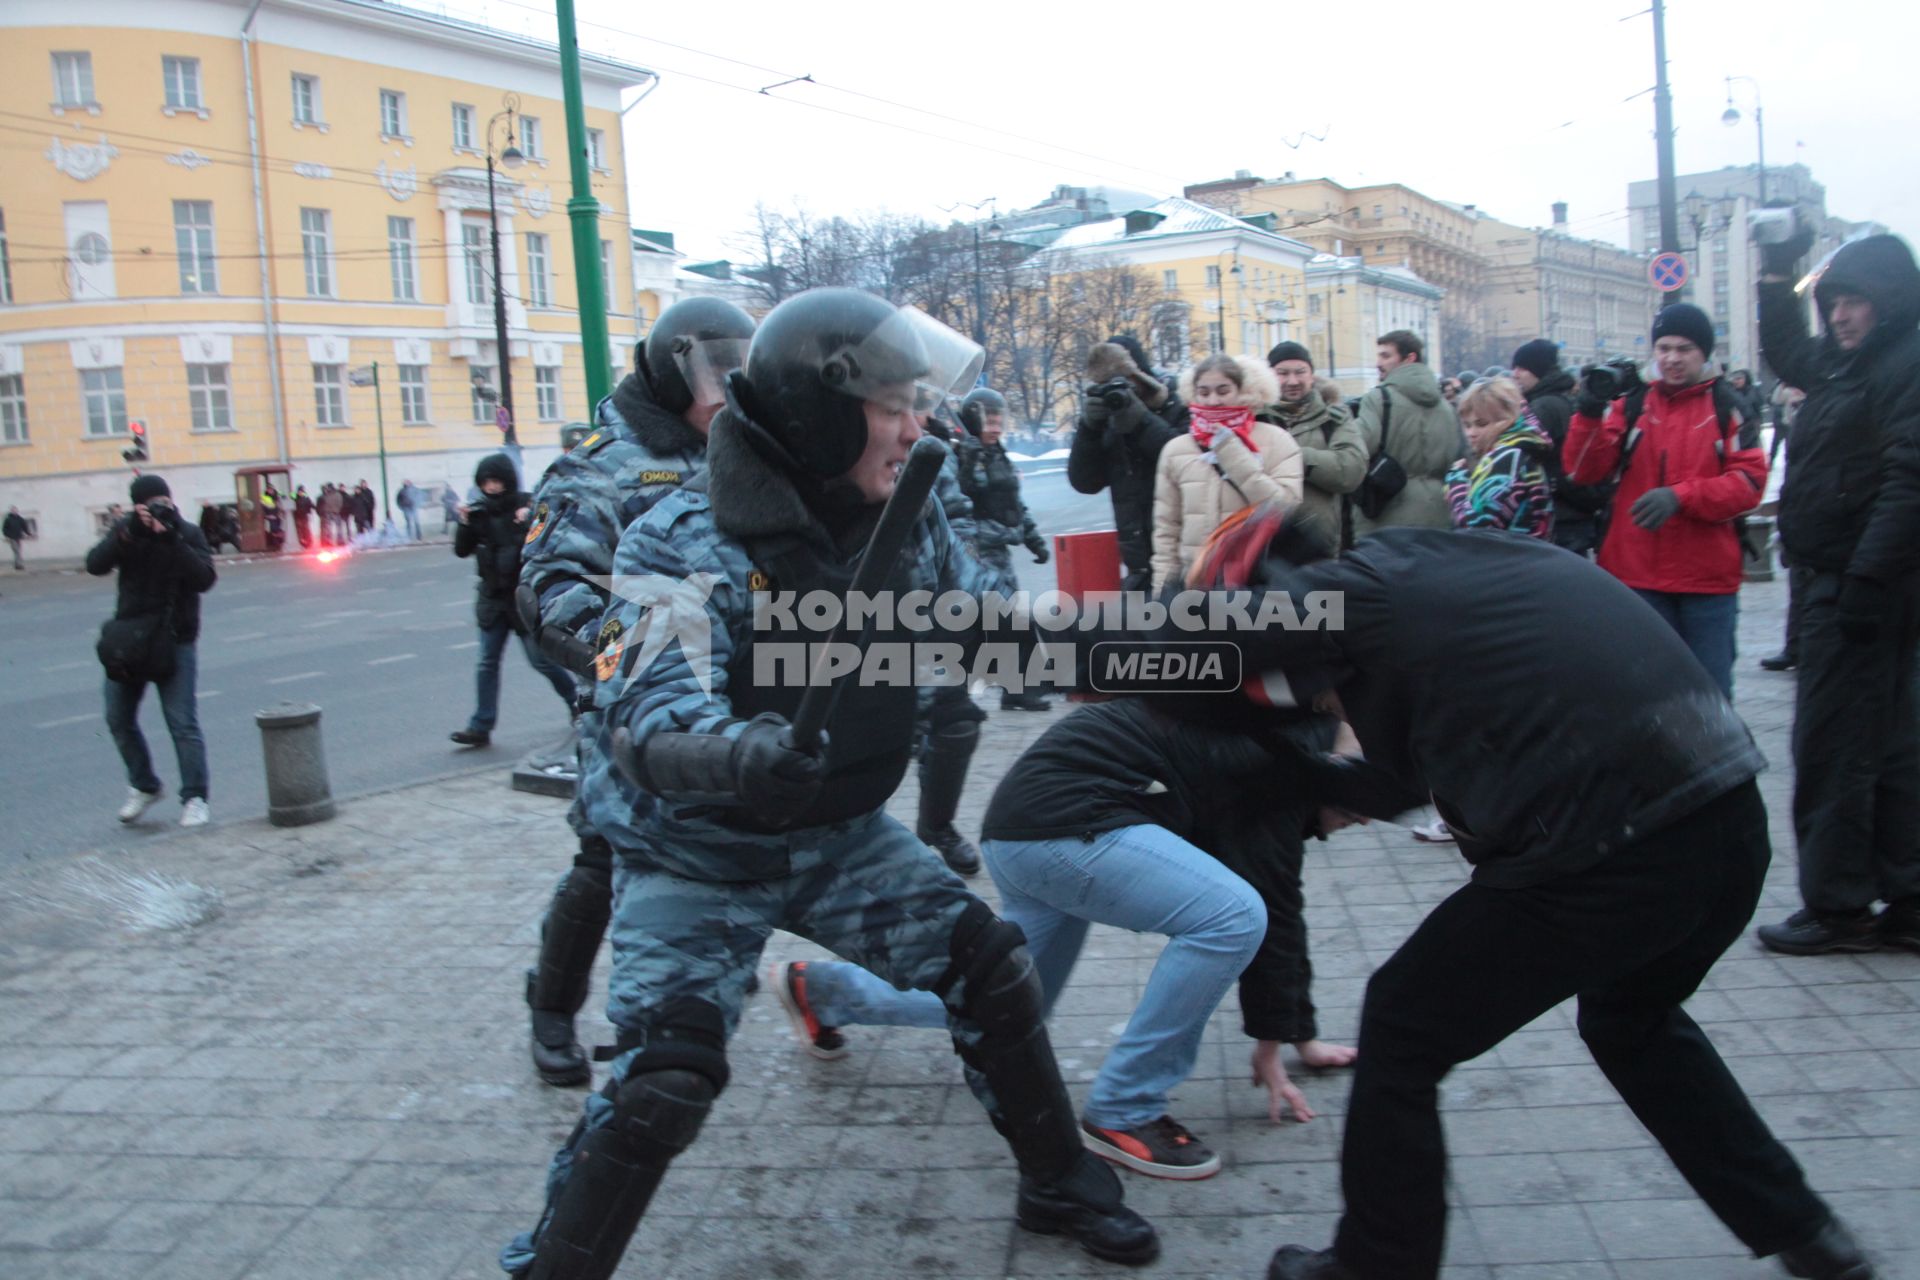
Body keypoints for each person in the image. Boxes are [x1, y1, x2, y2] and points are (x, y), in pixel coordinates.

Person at [500, 289, 1157, 1279]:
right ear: (817, 411)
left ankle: (1058, 1177)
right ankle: (553, 1262)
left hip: (841, 830)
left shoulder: (912, 503)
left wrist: (1102, 644)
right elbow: (648, 706)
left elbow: (977, 617)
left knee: (989, 961)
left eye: (917, 401)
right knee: (662, 1083)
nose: (916, 423)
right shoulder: (673, 532)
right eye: (893, 404)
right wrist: (734, 754)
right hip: (695, 849)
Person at [1163, 514, 1875, 1280]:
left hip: (1610, 847)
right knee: (1631, 1021)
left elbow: (1186, 645)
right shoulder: (1441, 568)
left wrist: (1043, 644)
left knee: (1403, 1026)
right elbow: (1399, 784)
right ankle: (1807, 1232)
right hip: (1725, 822)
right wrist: (1288, 779)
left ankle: (1377, 1266)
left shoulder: (1351, 596)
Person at [772, 696, 1381, 1181]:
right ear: (1340, 774)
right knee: (1232, 916)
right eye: (1359, 809)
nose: (1357, 822)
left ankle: (820, 991)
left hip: (1026, 829)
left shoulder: (1282, 736)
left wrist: (1294, 1035)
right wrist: (1276, 1045)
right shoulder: (1281, 765)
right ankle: (1125, 1111)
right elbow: (1273, 906)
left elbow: (1281, 896)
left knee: (1014, 999)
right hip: (1063, 826)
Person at [516, 296, 754, 1086]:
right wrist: (637, 663)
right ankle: (552, 1005)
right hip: (625, 700)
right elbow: (551, 595)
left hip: (724, 697)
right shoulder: (602, 462)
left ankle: (665, 1007)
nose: (725, 385)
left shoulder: (742, 450)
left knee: (703, 855)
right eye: (711, 368)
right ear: (670, 366)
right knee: (604, 856)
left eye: (738, 367)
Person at [1751, 228, 1920, 957]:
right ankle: (1908, 896)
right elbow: (1790, 354)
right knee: (1891, 744)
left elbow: (1910, 483)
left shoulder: (1902, 367)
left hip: (1859, 587)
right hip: (1853, 581)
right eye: (1835, 301)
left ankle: (1840, 904)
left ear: (1890, 303)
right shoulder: (1855, 362)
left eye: (1857, 302)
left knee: (1833, 747)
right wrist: (1777, 275)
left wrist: (1865, 581)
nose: (1843, 315)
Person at [1564, 305, 1766, 699]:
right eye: (1664, 347)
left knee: (1709, 696)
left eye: (1685, 349)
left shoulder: (1728, 406)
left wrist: (1681, 496)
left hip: (1706, 581)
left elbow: (1749, 482)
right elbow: (1583, 471)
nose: (1672, 358)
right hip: (1636, 575)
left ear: (1704, 353)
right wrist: (1587, 412)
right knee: (1644, 695)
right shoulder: (1633, 404)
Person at [85, 475, 217, 829]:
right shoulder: (129, 533)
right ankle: (144, 785)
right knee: (118, 718)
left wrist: (171, 537)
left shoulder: (186, 533)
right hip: (130, 642)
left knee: (182, 724)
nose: (160, 508)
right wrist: (127, 532)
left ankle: (195, 798)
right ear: (137, 507)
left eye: (164, 501)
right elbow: (95, 564)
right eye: (151, 503)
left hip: (175, 641)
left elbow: (205, 578)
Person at [450, 454, 576, 748]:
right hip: (492, 602)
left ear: (508, 480)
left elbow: (545, 545)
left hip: (523, 600)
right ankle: (480, 726)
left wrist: (528, 521)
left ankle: (577, 703)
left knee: (542, 661)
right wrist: (464, 523)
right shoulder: (479, 511)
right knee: (486, 663)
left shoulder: (527, 506)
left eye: (496, 481)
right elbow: (461, 550)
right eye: (486, 482)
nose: (492, 487)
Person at [1151, 353, 1304, 588]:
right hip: (1197, 585)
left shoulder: (1277, 440)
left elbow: (1286, 508)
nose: (1213, 401)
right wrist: (1162, 591)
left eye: (1223, 391)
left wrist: (1230, 451)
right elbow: (1166, 531)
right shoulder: (1176, 450)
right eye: (1204, 392)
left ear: (1242, 391)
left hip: (1257, 583)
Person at [956, 385, 1053, 711]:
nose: (996, 427)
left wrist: (1034, 540)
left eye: (999, 420)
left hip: (1001, 551)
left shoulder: (999, 455)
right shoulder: (963, 456)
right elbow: (960, 502)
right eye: (989, 421)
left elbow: (1015, 504)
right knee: (1006, 622)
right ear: (973, 420)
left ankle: (1016, 689)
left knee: (1005, 622)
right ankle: (1012, 688)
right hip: (980, 554)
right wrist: (968, 459)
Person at [1067, 334, 1186, 591]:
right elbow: (1084, 482)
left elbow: (1186, 464)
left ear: (1140, 374)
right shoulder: (1107, 420)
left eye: (1123, 381)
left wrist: (1141, 421)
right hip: (1138, 565)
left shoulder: (1176, 407)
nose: (1118, 390)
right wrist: (1089, 428)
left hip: (1183, 561)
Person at [1350, 330, 1466, 539]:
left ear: (1409, 358)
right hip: (1440, 511)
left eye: (1386, 356)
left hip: (1388, 511)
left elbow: (1358, 449)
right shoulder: (1445, 407)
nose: (1378, 363)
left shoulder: (1378, 398)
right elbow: (1459, 455)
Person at [1511, 338, 1608, 556]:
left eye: (1521, 368)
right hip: (1574, 510)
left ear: (1537, 370)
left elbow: (1520, 453)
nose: (1515, 374)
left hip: (1560, 513)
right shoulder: (1561, 398)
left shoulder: (1543, 406)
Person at [1267, 343, 1366, 547]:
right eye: (1282, 373)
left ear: (1311, 375)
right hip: (1263, 543)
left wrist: (1293, 455)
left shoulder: (1335, 417)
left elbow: (1350, 470)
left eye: (1300, 372)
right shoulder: (1254, 418)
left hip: (1321, 545)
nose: (1292, 381)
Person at [1444, 376, 1554, 539]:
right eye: (1467, 425)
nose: (1471, 433)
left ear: (1506, 420)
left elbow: (1479, 530)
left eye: (1481, 424)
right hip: (1528, 556)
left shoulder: (1506, 457)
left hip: (1508, 558)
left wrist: (1456, 482)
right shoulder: (1522, 449)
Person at [1760, 383, 1809, 672]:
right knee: (1799, 590)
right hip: (1802, 523)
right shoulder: (1797, 432)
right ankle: (1794, 648)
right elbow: (1794, 484)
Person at [4, 506, 29, 570]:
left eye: (15, 510)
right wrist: (7, 535)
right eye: (13, 510)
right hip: (12, 538)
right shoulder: (8, 519)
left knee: (17, 551)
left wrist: (29, 534)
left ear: (17, 511)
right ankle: (19, 565)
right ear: (11, 511)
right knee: (17, 551)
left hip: (18, 537)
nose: (14, 511)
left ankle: (17, 565)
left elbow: (24, 527)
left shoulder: (20, 519)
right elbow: (4, 529)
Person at [292, 485, 315, 550]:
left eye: (301, 491)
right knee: (300, 531)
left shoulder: (306, 499)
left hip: (305, 516)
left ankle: (308, 543)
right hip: (298, 517)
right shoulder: (295, 499)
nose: (300, 493)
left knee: (306, 530)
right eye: (299, 491)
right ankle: (302, 543)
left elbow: (311, 505)